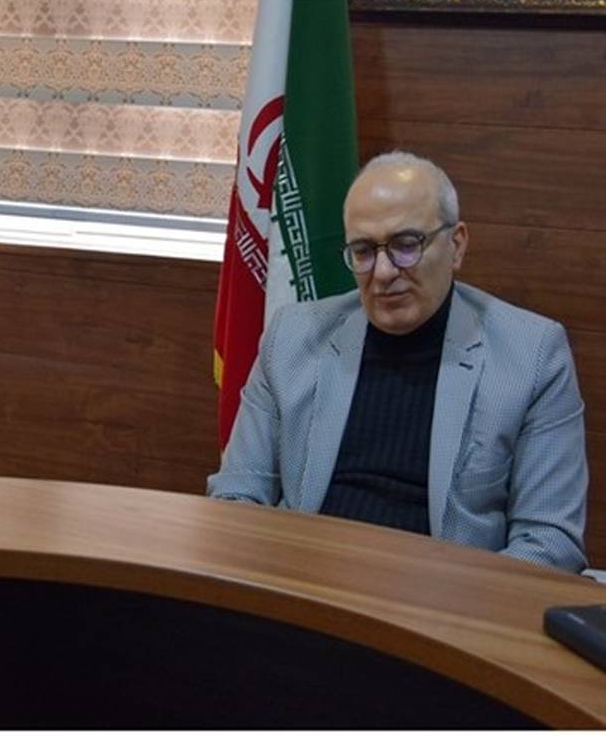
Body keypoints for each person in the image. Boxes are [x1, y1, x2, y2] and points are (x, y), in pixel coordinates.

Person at [208, 151, 587, 572]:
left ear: (456, 245)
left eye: (407, 246)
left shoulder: (533, 355)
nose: (384, 272)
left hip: (446, 598)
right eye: (364, 251)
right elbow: (237, 494)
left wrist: (457, 601)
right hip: (305, 582)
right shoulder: (293, 338)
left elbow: (550, 542)